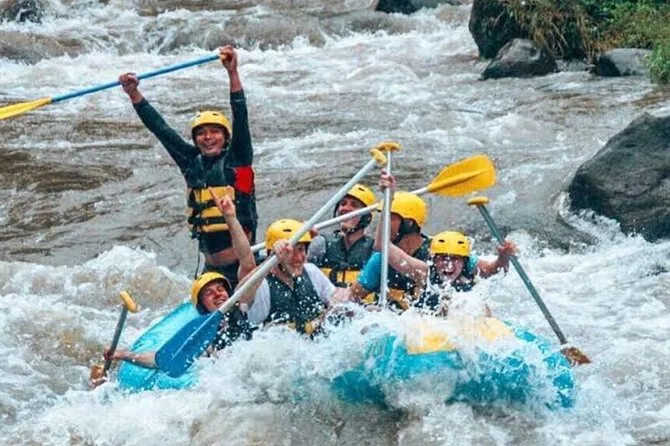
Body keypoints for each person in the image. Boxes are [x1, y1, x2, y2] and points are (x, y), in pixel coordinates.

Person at [119, 45, 257, 289]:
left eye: (214, 131)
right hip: (210, 270)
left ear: (226, 137)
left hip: (242, 266)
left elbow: (241, 115)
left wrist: (232, 73)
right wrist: (133, 93)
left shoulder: (239, 159)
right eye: (201, 133)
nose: (208, 137)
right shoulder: (191, 162)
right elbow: (161, 129)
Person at [101, 192, 256, 371]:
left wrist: (230, 218)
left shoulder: (241, 307)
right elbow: (159, 360)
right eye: (209, 293)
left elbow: (248, 264)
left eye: (220, 289)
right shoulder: (200, 334)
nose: (217, 294)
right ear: (202, 305)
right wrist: (122, 355)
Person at [375, 172, 517, 315]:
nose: (448, 264)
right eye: (442, 258)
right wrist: (389, 199)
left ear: (464, 260)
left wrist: (503, 257)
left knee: (482, 308)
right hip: (430, 323)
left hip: (467, 321)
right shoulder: (424, 273)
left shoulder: (469, 266)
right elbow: (383, 245)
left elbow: (494, 270)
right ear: (434, 259)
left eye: (455, 259)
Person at [241, 219, 351, 336]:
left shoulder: (311, 271)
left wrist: (342, 297)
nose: (298, 258)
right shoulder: (262, 285)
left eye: (301, 249)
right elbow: (242, 297)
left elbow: (338, 300)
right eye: (290, 252)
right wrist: (270, 261)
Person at [349, 187, 432, 311]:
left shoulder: (434, 254)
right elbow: (351, 298)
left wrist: (390, 195)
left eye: (390, 218)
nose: (383, 225)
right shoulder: (380, 260)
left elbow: (381, 244)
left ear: (409, 223)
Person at [308, 184, 376, 293]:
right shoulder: (321, 244)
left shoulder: (374, 250)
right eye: (343, 203)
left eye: (354, 205)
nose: (346, 208)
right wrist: (306, 243)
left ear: (366, 216)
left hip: (362, 303)